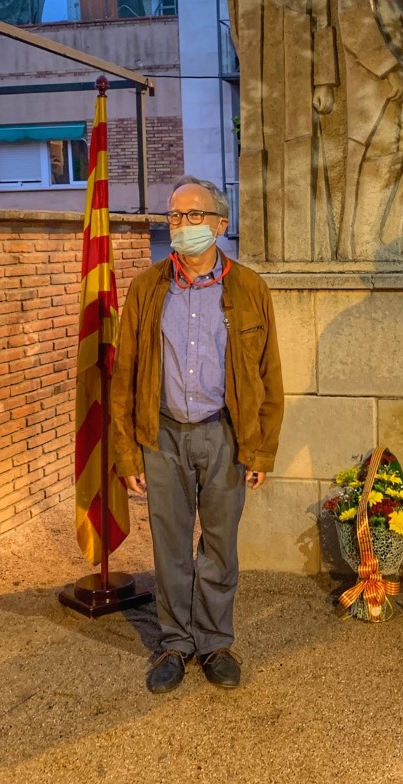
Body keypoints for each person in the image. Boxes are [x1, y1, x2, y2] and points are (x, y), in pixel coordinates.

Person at [109, 177, 283, 692]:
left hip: (224, 434)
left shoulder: (249, 288)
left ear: (220, 225)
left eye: (193, 215)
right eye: (175, 216)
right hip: (161, 435)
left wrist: (260, 448)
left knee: (220, 546)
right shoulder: (147, 288)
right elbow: (125, 375)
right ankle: (175, 644)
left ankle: (214, 641)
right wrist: (128, 454)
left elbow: (269, 373)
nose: (182, 226)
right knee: (169, 547)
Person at [217, 0, 339, 263]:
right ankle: (263, 253)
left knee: (302, 166)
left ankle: (304, 253)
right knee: (260, 162)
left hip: (301, 96)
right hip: (262, 96)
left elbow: (326, 32)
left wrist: (324, 83)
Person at [337, 0, 403, 260]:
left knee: (393, 162)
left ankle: (383, 238)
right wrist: (388, 69)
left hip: (395, 95)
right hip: (374, 96)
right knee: (375, 164)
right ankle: (364, 243)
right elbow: (357, 30)